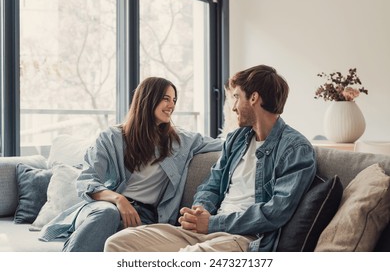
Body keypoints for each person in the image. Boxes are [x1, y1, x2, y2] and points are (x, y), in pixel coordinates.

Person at [104, 64, 317, 252]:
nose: (233, 107)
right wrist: (200, 210)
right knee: (118, 243)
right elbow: (212, 185)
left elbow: (275, 212)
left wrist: (213, 224)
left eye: (236, 97)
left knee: (190, 258)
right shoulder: (237, 139)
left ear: (253, 98)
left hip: (244, 238)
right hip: (206, 230)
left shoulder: (296, 149)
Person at [38, 77, 223, 251]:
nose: (172, 105)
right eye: (166, 99)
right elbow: (87, 180)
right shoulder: (111, 138)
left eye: (174, 100)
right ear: (148, 99)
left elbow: (226, 143)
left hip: (147, 216)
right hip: (105, 206)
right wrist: (119, 200)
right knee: (107, 214)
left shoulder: (181, 140)